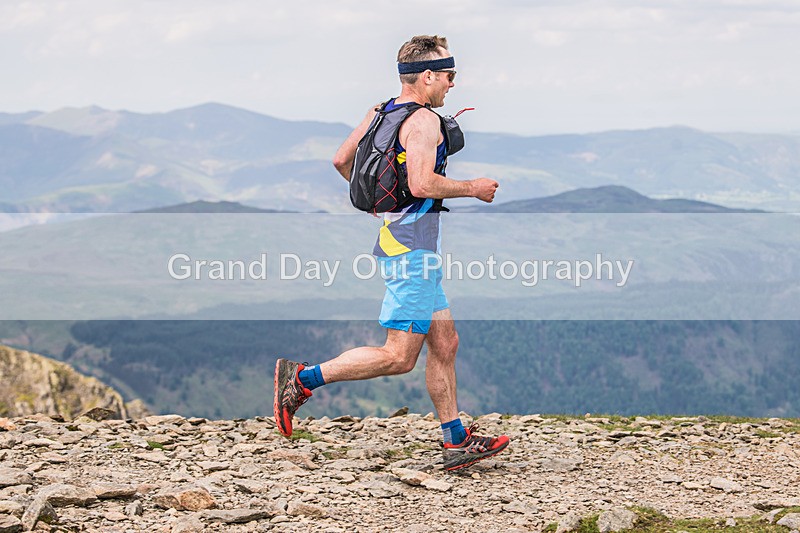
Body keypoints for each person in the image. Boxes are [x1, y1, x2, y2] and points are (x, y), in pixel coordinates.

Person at [274, 35, 508, 471]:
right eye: (449, 75)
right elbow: (421, 184)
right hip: (412, 249)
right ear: (427, 76)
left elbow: (341, 161)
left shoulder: (380, 111)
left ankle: (455, 439)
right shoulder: (424, 121)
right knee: (399, 356)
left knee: (445, 342)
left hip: (405, 242)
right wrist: (473, 188)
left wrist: (382, 204)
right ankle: (302, 379)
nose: (453, 83)